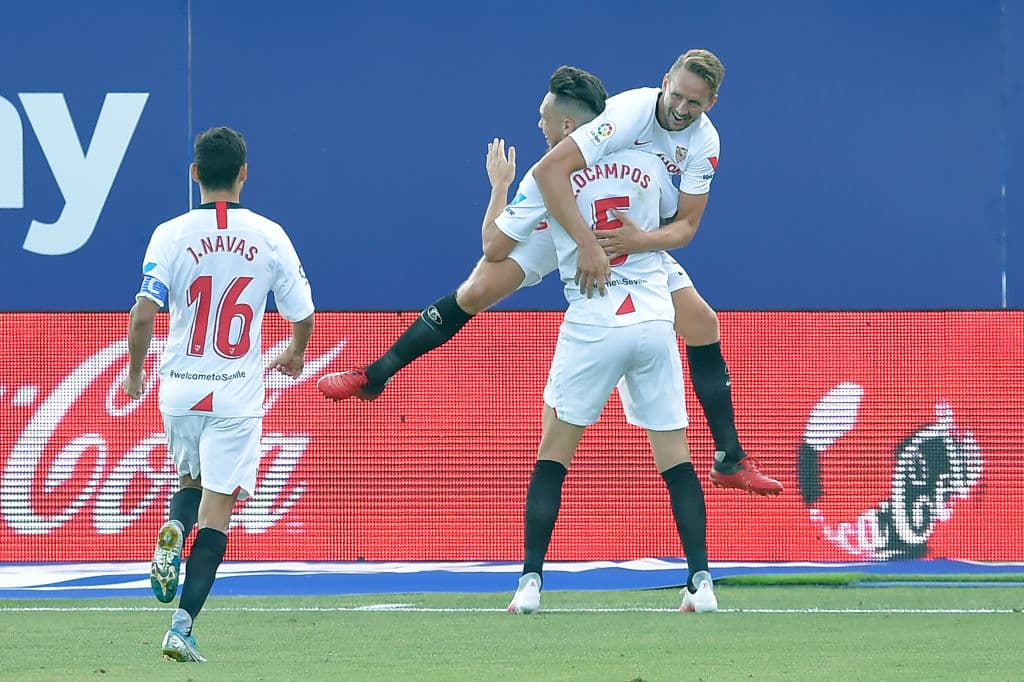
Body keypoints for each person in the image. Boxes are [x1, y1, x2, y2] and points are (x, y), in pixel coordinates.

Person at [318, 54, 781, 496]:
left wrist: (633, 241)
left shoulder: (703, 141)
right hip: (567, 217)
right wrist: (574, 237)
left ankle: (729, 457)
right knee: (479, 288)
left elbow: (685, 225)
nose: (681, 108)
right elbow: (527, 204)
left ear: (710, 103)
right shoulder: (623, 115)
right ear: (664, 82)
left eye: (694, 102)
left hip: (623, 234)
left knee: (702, 322)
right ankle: (377, 373)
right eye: (677, 95)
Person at [477, 74, 715, 614]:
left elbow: (493, 248)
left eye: (544, 117)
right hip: (654, 320)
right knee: (676, 459)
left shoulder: (550, 177)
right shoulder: (652, 165)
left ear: (568, 126)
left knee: (553, 455)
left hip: (595, 320)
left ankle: (530, 583)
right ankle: (700, 582)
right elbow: (676, 229)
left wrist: (498, 186)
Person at [121, 127, 315, 663]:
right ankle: (181, 626)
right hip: (235, 393)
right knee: (219, 513)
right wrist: (296, 350)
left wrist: (136, 371)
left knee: (191, 483)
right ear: (245, 174)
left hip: (180, 390)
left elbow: (142, 314)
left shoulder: (169, 233)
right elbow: (303, 314)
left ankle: (174, 526)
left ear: (194, 174)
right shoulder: (270, 235)